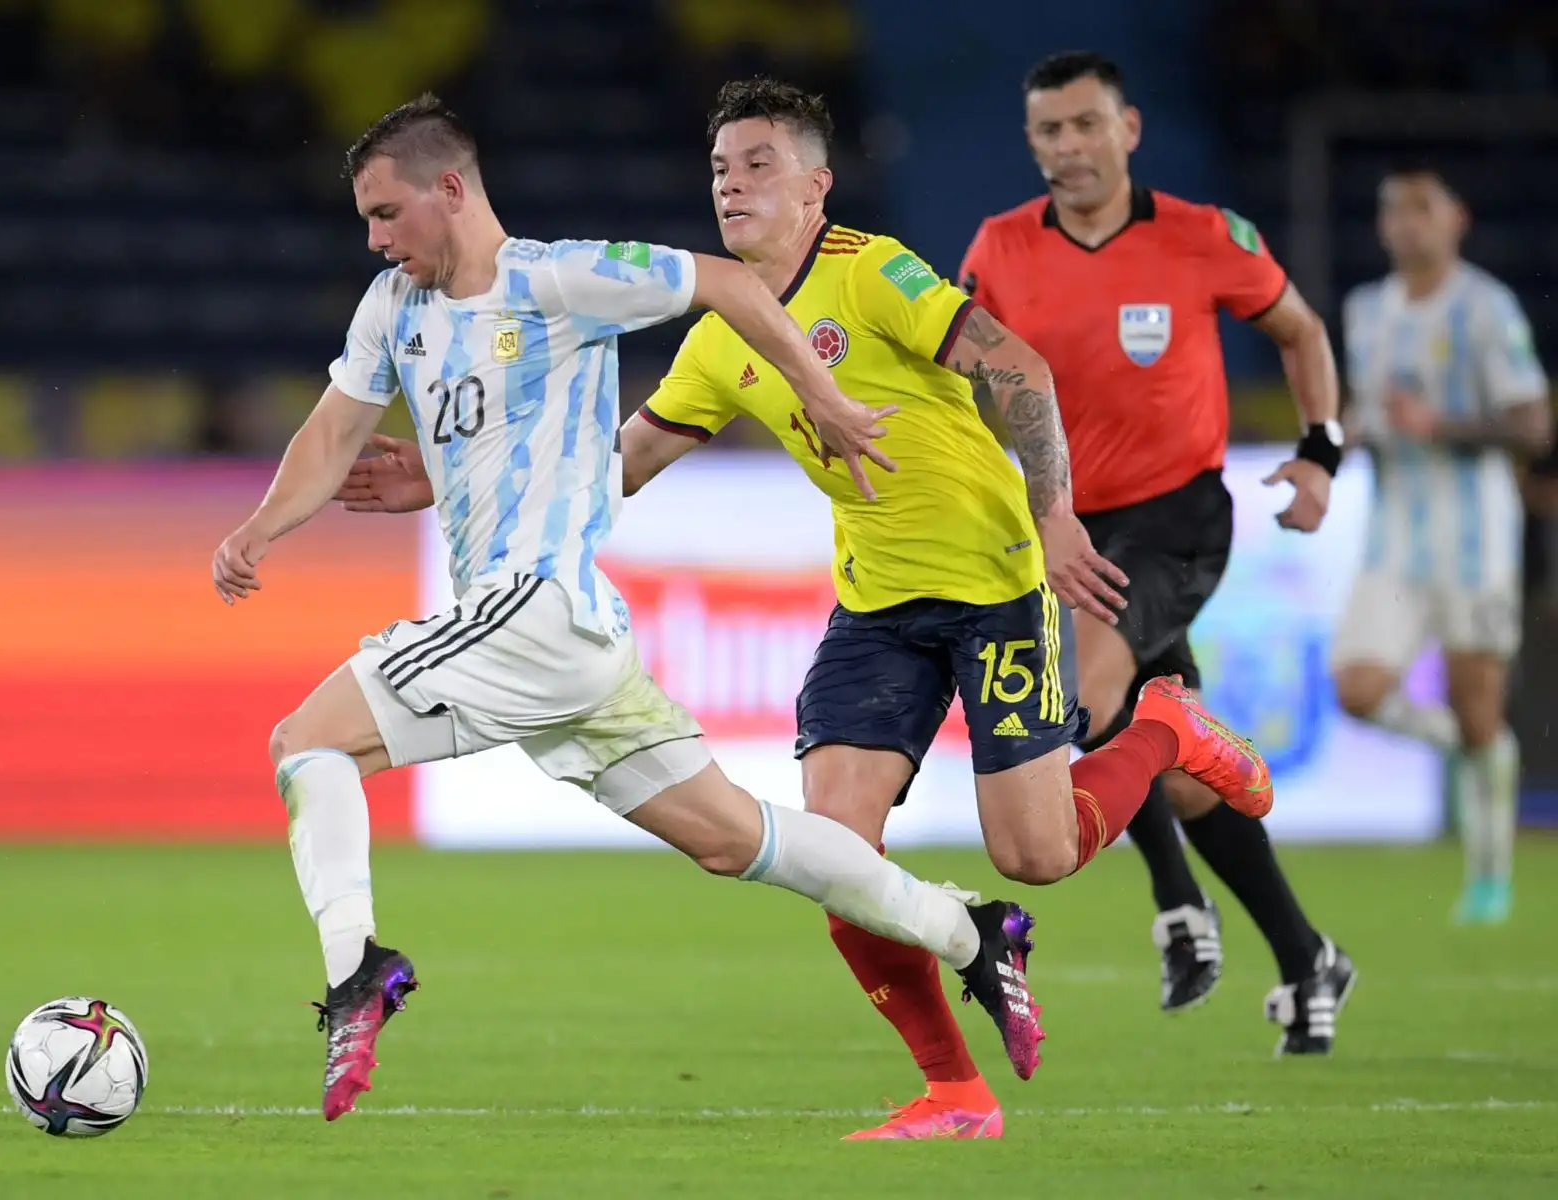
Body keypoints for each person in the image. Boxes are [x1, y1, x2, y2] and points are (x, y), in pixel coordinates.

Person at [340, 78, 1275, 1141]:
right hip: (877, 609)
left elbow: (1015, 366)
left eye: (758, 166)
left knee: (1037, 855)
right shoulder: (720, 334)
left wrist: (1058, 516)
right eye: (719, 170)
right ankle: (956, 1095)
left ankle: (1164, 730)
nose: (731, 187)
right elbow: (621, 464)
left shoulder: (872, 273)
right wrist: (448, 475)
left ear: (815, 186)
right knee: (842, 865)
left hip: (995, 587)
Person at [212, 93, 1047, 1124]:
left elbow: (729, 283)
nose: (377, 240)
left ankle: (356, 974)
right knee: (739, 839)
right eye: (367, 221)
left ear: (451, 191)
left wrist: (824, 398)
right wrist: (263, 526)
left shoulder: (562, 280)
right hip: (578, 648)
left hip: (534, 614)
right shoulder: (395, 310)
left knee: (307, 744)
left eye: (388, 215)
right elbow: (336, 432)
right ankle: (973, 933)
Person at [956, 50, 1354, 1055]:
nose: (1069, 147)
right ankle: (1307, 958)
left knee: (1084, 706)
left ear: (1130, 129)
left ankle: (1179, 907)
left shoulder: (1204, 238)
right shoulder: (998, 250)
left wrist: (1318, 454)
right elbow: (968, 386)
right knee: (1175, 772)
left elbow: (1302, 334)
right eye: (1049, 130)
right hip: (1070, 528)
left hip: (1176, 519)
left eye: (1087, 125)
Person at [1333, 164, 1551, 925]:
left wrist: (1443, 428)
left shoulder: (1487, 308)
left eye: (1421, 208)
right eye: (1392, 210)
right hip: (1393, 541)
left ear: (1456, 217)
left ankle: (1489, 879)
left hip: (1475, 541)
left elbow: (1534, 424)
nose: (1405, 223)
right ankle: (1462, 748)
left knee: (1480, 707)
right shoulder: (1365, 311)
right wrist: (1347, 436)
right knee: (1356, 690)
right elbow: (1365, 411)